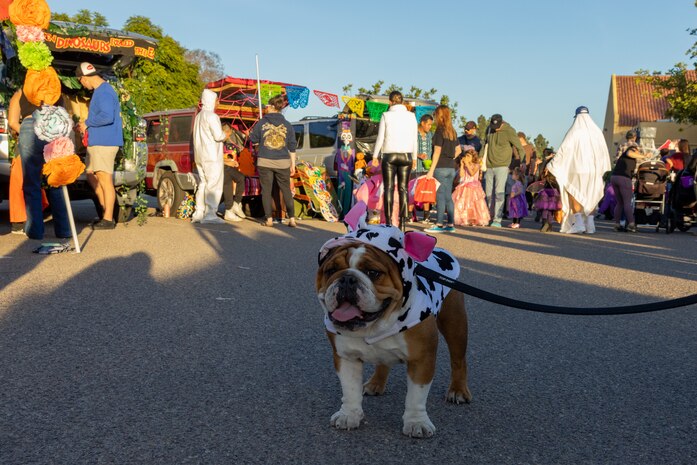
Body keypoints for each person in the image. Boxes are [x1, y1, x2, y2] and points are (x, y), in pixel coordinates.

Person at [8, 88, 71, 240]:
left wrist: (24, 131)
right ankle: (64, 230)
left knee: (32, 183)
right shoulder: (55, 91)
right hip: (52, 129)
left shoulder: (21, 92)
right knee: (56, 182)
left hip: (29, 128)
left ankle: (36, 231)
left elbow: (12, 122)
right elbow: (64, 117)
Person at [546, 106, 610, 234]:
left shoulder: (574, 131)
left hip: (576, 169)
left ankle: (579, 222)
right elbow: (603, 152)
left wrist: (551, 164)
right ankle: (590, 225)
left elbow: (564, 150)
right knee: (592, 194)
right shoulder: (597, 132)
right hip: (594, 171)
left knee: (574, 193)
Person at [76, 62, 123, 230]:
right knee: (90, 174)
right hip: (98, 141)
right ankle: (105, 213)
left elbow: (107, 117)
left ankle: (109, 218)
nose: (82, 84)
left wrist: (86, 123)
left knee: (105, 179)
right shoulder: (100, 91)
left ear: (84, 77)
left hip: (105, 141)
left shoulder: (104, 91)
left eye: (80, 81)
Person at [371, 90, 418, 230]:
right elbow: (414, 139)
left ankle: (389, 223)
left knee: (389, 188)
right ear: (402, 102)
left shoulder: (386, 115)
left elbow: (380, 137)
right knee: (403, 189)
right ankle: (403, 223)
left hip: (389, 155)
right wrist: (414, 157)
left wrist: (375, 155)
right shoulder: (411, 116)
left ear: (390, 102)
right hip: (406, 155)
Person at [249, 94, 298, 228]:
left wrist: (252, 136)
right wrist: (292, 164)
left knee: (266, 190)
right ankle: (292, 219)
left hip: (265, 161)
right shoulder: (287, 125)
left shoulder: (261, 123)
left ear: (271, 107)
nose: (265, 109)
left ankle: (269, 219)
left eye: (266, 106)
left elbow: (253, 139)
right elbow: (292, 146)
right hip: (283, 161)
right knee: (286, 190)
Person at [190, 88, 227, 224]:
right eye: (217, 101)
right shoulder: (212, 116)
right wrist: (226, 135)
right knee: (214, 185)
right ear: (212, 101)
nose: (218, 103)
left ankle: (199, 212)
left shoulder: (199, 116)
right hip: (211, 156)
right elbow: (218, 136)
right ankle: (210, 214)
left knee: (203, 184)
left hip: (199, 155)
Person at [482, 113, 526, 228]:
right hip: (489, 165)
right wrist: (480, 159)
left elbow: (519, 147)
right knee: (487, 193)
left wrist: (523, 161)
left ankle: (497, 219)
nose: (495, 129)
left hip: (502, 166)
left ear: (502, 123)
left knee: (499, 192)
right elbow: (484, 145)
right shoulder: (489, 129)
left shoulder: (509, 131)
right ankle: (488, 216)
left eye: (497, 127)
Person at [424, 105, 461, 233]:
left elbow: (437, 151)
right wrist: (451, 158)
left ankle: (439, 224)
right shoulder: (452, 131)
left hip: (440, 166)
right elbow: (458, 150)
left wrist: (431, 170)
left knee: (440, 195)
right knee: (448, 196)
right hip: (451, 167)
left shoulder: (439, 131)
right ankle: (450, 223)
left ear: (439, 116)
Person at [610, 143, 645, 232]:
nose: (638, 153)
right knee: (626, 202)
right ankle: (631, 224)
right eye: (638, 151)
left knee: (620, 203)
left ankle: (617, 224)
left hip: (614, 177)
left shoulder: (623, 158)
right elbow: (630, 153)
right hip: (624, 178)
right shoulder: (630, 151)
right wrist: (644, 155)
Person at [452, 146, 489, 227]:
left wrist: (467, 165)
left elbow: (472, 173)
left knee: (474, 204)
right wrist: (462, 165)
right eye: (466, 156)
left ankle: (474, 219)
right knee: (463, 203)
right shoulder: (465, 165)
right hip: (464, 185)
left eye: (468, 156)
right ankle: (465, 218)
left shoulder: (477, 165)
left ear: (473, 157)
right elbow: (461, 175)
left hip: (473, 186)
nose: (466, 158)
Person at [221, 123, 247, 222]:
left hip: (225, 165)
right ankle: (228, 209)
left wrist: (231, 162)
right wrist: (229, 162)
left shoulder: (223, 142)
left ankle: (236, 203)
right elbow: (215, 158)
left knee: (240, 177)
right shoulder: (217, 141)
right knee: (227, 182)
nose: (229, 137)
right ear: (225, 132)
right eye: (229, 135)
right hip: (219, 167)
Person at [414, 113, 433, 223]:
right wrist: (418, 155)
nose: (430, 127)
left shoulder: (431, 135)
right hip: (415, 166)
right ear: (422, 123)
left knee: (427, 191)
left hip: (427, 167)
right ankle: (410, 215)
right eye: (428, 125)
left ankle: (426, 215)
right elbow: (408, 147)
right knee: (413, 190)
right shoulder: (413, 134)